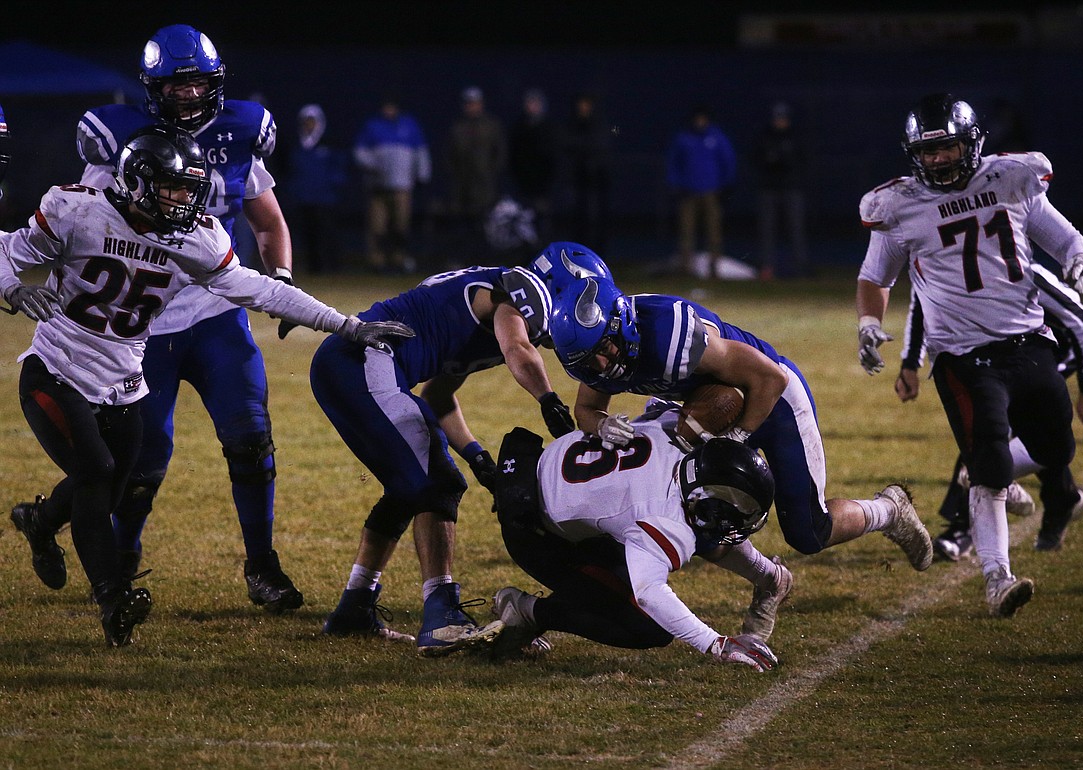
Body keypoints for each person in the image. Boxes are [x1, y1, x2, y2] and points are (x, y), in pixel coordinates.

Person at [2, 125, 413, 646]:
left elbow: (260, 290)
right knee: (97, 473)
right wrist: (13, 287)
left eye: (189, 189)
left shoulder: (196, 239)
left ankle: (41, 521)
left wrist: (346, 324)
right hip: (57, 366)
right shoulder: (76, 209)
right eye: (173, 188)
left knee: (116, 483)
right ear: (136, 180)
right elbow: (6, 249)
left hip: (123, 377)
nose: (184, 202)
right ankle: (113, 600)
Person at [74, 24, 305, 613]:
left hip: (217, 314)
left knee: (252, 439)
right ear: (154, 89)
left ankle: (263, 565)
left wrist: (277, 281)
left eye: (199, 83)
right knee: (143, 459)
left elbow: (269, 222)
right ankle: (121, 564)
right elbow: (84, 225)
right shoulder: (122, 141)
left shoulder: (237, 135)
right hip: (144, 322)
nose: (190, 96)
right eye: (177, 87)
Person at [854, 93, 1083, 618]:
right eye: (929, 151)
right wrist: (870, 322)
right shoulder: (898, 206)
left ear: (971, 144)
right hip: (962, 356)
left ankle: (999, 477)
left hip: (1029, 341)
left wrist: (1082, 260)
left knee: (1057, 448)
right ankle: (996, 577)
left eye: (947, 148)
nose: (938, 159)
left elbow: (1064, 237)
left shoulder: (1011, 179)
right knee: (987, 461)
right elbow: (876, 277)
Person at [547, 274, 933, 572]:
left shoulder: (672, 335)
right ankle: (767, 581)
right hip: (707, 410)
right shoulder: (596, 352)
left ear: (621, 324)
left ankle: (889, 510)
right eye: (587, 360)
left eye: (603, 350)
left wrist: (738, 437)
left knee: (808, 531)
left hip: (771, 399)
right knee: (694, 511)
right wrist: (601, 425)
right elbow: (586, 410)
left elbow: (771, 378)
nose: (600, 365)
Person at [312, 264, 578, 655]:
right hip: (364, 359)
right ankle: (442, 615)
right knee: (439, 484)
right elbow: (518, 348)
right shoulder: (508, 292)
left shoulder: (488, 318)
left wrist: (477, 456)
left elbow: (438, 396)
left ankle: (354, 607)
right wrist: (548, 399)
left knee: (409, 486)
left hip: (351, 364)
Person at [487, 407, 787, 669]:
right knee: (649, 628)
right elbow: (650, 592)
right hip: (537, 534)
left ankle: (770, 577)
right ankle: (528, 612)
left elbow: (661, 407)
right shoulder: (664, 517)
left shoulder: (676, 432)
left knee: (687, 540)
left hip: (541, 474)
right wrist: (716, 644)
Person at [897, 262, 1083, 559]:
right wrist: (910, 363)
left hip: (1045, 351)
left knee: (996, 429)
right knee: (992, 426)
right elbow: (923, 303)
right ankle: (1062, 499)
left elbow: (1079, 320)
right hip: (999, 355)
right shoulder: (947, 263)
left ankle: (963, 528)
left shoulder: (1018, 267)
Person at [352, 95, 432, 274]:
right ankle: (376, 261)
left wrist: (422, 175)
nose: (388, 110)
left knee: (401, 225)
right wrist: (374, 166)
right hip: (377, 186)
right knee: (377, 226)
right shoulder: (373, 126)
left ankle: (399, 259)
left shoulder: (409, 125)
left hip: (402, 186)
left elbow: (421, 152)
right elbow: (359, 152)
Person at [666, 105, 736, 279]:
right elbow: (673, 163)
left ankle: (714, 268)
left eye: (703, 118)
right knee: (686, 232)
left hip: (711, 192)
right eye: (697, 118)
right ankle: (686, 268)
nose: (700, 121)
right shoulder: (684, 138)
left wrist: (726, 185)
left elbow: (728, 161)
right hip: (688, 193)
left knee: (714, 231)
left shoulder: (716, 137)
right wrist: (675, 184)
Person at [283, 104, 348, 274]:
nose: (309, 125)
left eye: (312, 121)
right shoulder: (295, 144)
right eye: (306, 121)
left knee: (328, 233)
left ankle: (333, 267)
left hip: (326, 199)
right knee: (308, 234)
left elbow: (339, 169)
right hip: (304, 199)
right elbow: (289, 170)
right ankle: (314, 268)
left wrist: (334, 187)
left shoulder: (330, 143)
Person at [445, 87, 506, 263]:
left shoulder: (491, 126)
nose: (471, 107)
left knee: (484, 227)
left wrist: (489, 174)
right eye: (468, 103)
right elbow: (448, 155)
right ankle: (461, 261)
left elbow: (500, 153)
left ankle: (484, 263)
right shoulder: (457, 126)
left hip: (484, 187)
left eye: (475, 103)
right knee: (462, 227)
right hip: (462, 186)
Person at [753, 101, 809, 279]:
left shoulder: (796, 137)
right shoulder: (765, 137)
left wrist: (785, 161)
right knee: (767, 231)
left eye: (783, 118)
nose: (780, 122)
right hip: (769, 189)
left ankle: (800, 269)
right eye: (777, 118)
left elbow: (805, 161)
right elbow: (754, 159)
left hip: (791, 189)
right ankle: (767, 268)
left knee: (796, 230)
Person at [561, 92, 612, 253]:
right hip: (578, 181)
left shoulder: (598, 125)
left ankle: (598, 254)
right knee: (578, 220)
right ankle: (578, 253)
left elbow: (600, 147)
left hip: (597, 181)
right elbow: (567, 145)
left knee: (597, 221)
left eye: (586, 104)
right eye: (581, 104)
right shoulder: (571, 125)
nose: (583, 107)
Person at [508, 88, 558, 245]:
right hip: (524, 185)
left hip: (543, 186)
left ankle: (545, 258)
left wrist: (549, 184)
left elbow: (553, 159)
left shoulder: (548, 128)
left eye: (535, 103)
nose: (532, 106)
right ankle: (527, 258)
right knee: (524, 224)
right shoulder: (519, 128)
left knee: (543, 223)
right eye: (530, 103)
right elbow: (513, 157)